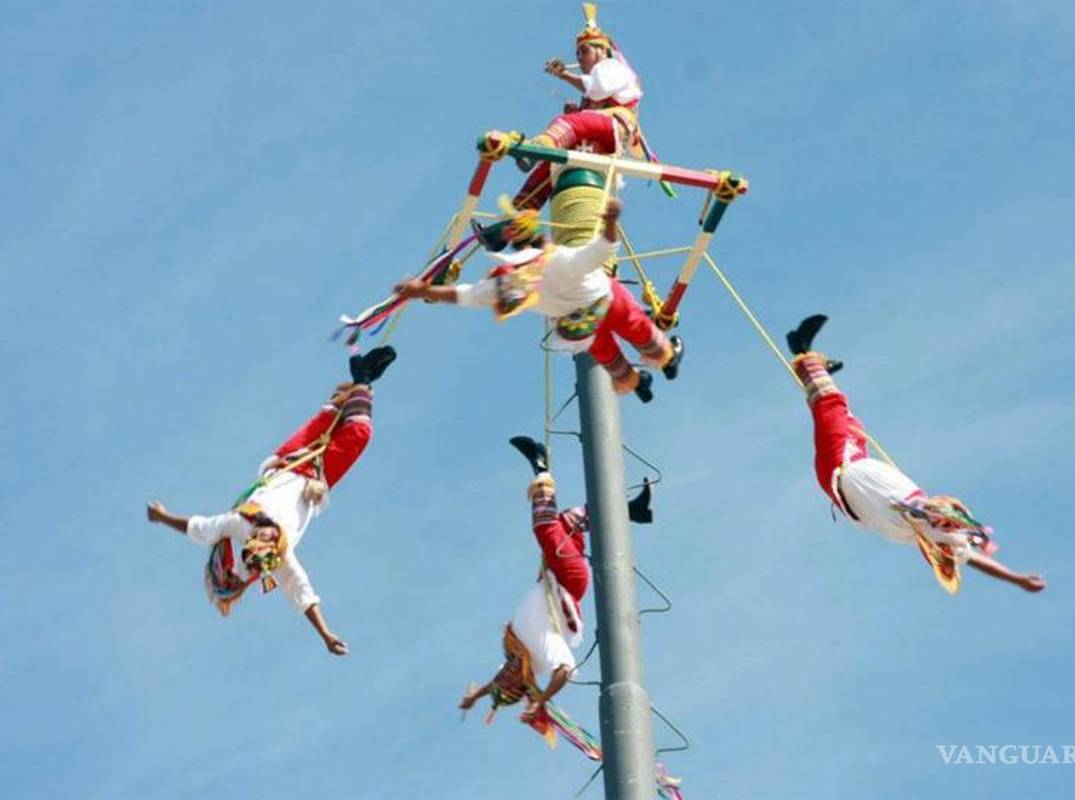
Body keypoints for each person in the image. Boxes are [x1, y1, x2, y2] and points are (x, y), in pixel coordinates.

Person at [145, 346, 397, 654]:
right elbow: (301, 593)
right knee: (358, 432)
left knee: (334, 411)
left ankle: (359, 379)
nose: (266, 534)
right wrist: (326, 634)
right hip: (315, 478)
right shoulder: (282, 558)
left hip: (286, 461)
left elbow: (200, 529)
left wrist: (163, 516)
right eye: (268, 539)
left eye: (260, 538)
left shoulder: (240, 524)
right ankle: (363, 376)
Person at [786, 315, 1045, 594]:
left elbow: (958, 547)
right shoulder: (917, 520)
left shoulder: (918, 521)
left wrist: (1014, 578)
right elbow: (971, 556)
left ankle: (802, 351)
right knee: (848, 421)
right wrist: (1016, 578)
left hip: (840, 467)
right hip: (851, 465)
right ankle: (816, 368)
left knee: (831, 406)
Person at [395, 198, 683, 403]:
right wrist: (609, 223)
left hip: (581, 326)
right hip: (605, 304)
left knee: (612, 358)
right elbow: (601, 250)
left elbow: (467, 295)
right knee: (643, 336)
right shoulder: (557, 261)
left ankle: (638, 381)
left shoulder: (513, 285)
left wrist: (421, 291)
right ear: (540, 243)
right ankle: (664, 361)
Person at [459, 436, 652, 726]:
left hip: (555, 573)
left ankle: (632, 511)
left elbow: (495, 681)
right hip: (568, 580)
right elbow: (564, 669)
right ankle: (541, 468)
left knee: (564, 522)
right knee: (544, 527)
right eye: (510, 679)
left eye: (502, 676)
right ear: (523, 682)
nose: (505, 673)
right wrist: (541, 699)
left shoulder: (514, 649)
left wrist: (477, 696)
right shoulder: (540, 655)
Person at [507, 5, 645, 211]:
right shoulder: (599, 75)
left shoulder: (611, 67)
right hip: (598, 138)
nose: (580, 58)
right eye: (578, 53)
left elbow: (598, 91)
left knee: (565, 123)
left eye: (584, 51)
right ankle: (513, 221)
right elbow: (593, 101)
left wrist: (565, 77)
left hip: (615, 126)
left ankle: (537, 148)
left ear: (602, 50)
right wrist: (577, 111)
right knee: (550, 167)